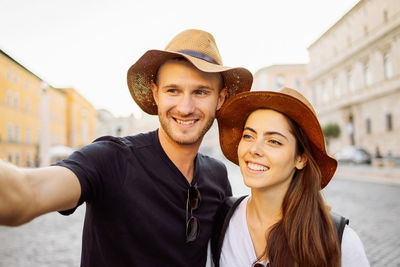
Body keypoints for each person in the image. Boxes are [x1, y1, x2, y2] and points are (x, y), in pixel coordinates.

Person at [0, 29, 252, 266]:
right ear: (155, 94)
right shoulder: (111, 159)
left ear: (220, 98)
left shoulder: (218, 177)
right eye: (173, 90)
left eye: (200, 92)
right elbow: (25, 194)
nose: (185, 107)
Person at [214, 88, 369, 267]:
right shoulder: (222, 219)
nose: (254, 149)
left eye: (274, 141)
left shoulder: (339, 241)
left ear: (301, 158)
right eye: (248, 136)